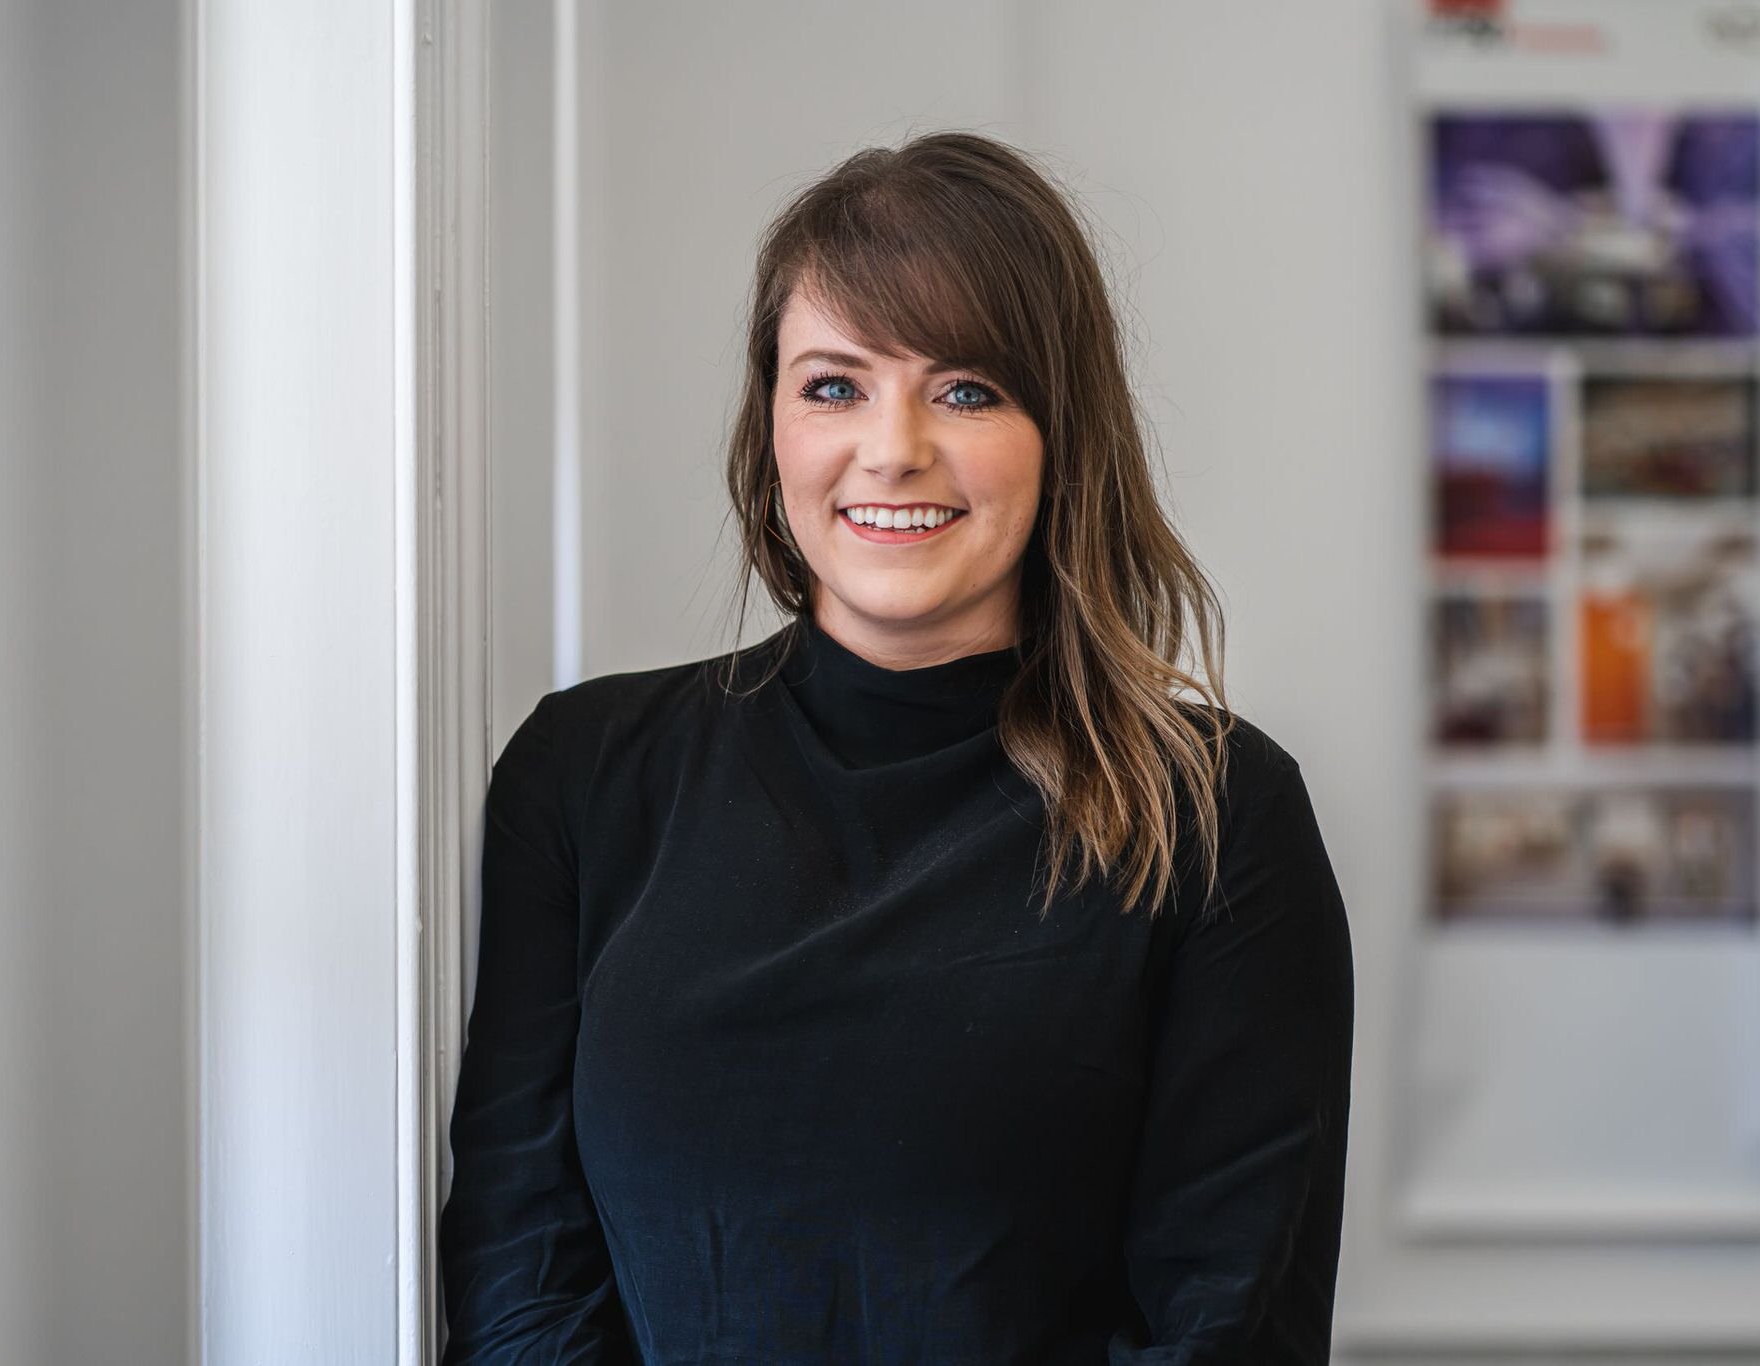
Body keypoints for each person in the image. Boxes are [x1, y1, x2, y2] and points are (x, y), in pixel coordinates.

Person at [437, 130, 1354, 1364]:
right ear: (771, 424)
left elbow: (1224, 1326)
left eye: (965, 389)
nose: (891, 447)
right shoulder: (584, 772)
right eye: (834, 384)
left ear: (1060, 432)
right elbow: (517, 1280)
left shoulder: (1216, 811)